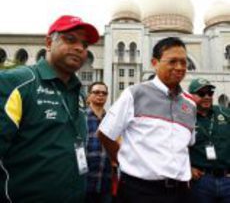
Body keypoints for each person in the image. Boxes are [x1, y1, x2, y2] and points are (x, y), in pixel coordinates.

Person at [0, 15, 99, 203]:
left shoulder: (79, 94)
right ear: (48, 42)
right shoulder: (17, 83)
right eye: (70, 39)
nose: (79, 48)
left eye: (85, 45)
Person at [97, 37, 197, 203]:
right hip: (139, 191)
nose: (179, 67)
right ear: (155, 63)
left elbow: (187, 145)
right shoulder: (135, 94)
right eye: (172, 61)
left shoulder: (190, 104)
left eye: (183, 62)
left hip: (180, 192)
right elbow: (105, 134)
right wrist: (121, 160)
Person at [188, 78, 230, 203]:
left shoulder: (225, 114)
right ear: (191, 96)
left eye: (210, 93)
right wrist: (187, 168)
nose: (207, 97)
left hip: (227, 179)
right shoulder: (185, 117)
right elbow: (175, 146)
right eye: (201, 93)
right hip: (201, 181)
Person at [85, 82, 112, 203]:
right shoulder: (80, 117)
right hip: (84, 181)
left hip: (106, 181)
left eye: (104, 93)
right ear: (89, 95)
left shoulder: (112, 119)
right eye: (96, 92)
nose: (100, 95)